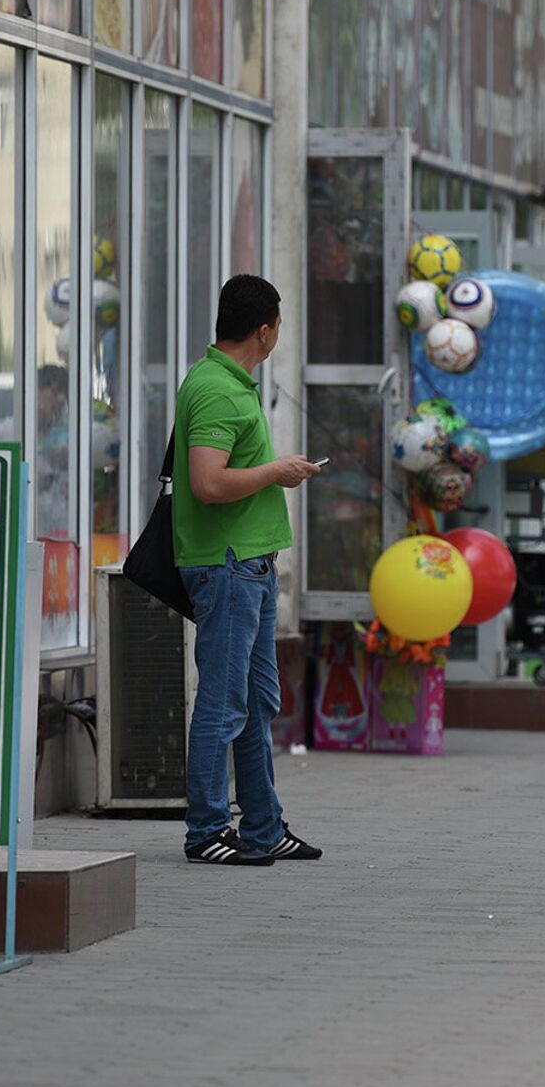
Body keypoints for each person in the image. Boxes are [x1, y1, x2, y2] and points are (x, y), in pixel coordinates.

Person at [174, 274, 324, 866]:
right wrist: (277, 471)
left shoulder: (233, 384)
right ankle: (207, 829)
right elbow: (207, 483)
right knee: (223, 702)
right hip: (227, 567)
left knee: (257, 700)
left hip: (250, 567)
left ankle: (263, 826)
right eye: (279, 326)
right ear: (265, 331)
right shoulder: (216, 388)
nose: (278, 335)